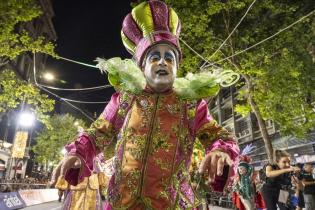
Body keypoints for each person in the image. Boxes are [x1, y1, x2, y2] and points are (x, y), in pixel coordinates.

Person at [51, 1, 240, 209]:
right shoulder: (125, 99)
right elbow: (97, 133)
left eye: (169, 58)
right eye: (154, 57)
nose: (162, 62)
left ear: (177, 67)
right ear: (142, 67)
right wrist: (77, 152)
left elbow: (218, 135)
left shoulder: (191, 104)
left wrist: (220, 151)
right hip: (122, 203)